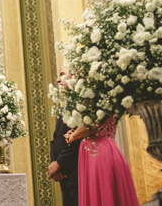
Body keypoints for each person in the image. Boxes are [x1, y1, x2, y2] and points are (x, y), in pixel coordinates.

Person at [65, 114, 139, 206]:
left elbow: (91, 126)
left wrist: (72, 136)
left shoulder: (92, 99)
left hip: (96, 151)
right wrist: (76, 133)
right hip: (109, 147)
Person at [49, 67, 79, 206]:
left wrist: (60, 163)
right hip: (65, 175)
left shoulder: (80, 104)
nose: (58, 79)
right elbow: (57, 140)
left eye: (62, 74)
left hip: (76, 173)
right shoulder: (67, 103)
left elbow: (79, 138)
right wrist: (54, 164)